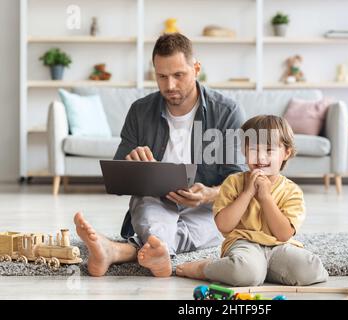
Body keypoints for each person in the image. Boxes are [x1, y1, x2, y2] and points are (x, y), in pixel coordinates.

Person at [74, 33, 246, 277]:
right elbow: (118, 181)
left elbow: (239, 181)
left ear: (196, 68)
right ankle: (158, 252)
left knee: (216, 226)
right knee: (150, 210)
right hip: (155, 200)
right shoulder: (140, 111)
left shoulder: (227, 112)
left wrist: (208, 194)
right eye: (162, 76)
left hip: (206, 207)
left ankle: (118, 251)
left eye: (179, 75)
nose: (170, 85)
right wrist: (131, 164)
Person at [176, 115, 328, 286]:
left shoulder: (292, 191)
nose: (261, 158)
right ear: (244, 151)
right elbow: (224, 226)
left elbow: (283, 234)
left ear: (286, 153)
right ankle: (205, 268)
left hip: (278, 246)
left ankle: (262, 270)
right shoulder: (233, 183)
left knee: (312, 269)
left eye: (269, 150)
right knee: (244, 273)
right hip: (243, 244)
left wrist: (265, 197)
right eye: (254, 150)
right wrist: (248, 192)